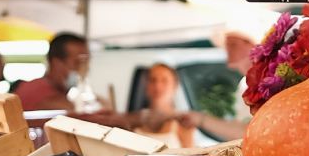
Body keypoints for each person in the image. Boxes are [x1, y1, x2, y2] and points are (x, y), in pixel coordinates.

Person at [16, 32, 177, 131]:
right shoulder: (37, 92)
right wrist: (136, 118)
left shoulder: (63, 94)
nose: (84, 68)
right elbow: (86, 117)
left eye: (87, 61)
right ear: (57, 62)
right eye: (79, 62)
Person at [133, 64, 196, 147]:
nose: (157, 86)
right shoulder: (133, 120)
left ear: (175, 86)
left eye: (164, 80)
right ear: (146, 85)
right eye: (152, 80)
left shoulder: (183, 123)